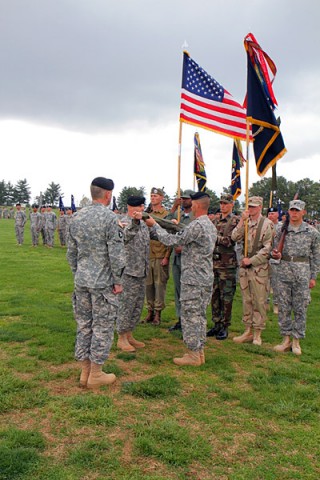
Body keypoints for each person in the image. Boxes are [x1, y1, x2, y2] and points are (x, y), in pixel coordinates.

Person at [144, 191, 217, 366]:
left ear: (196, 205)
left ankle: (193, 354)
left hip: (193, 279)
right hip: (204, 277)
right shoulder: (209, 225)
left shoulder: (197, 225)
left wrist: (154, 225)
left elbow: (171, 240)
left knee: (191, 315)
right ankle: (199, 351)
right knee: (199, 315)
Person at [67, 177, 125, 389]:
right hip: (103, 284)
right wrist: (118, 281)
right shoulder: (110, 218)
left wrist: (78, 273)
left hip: (82, 281)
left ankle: (85, 372)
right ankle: (96, 374)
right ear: (108, 194)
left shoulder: (76, 217)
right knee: (102, 326)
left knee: (84, 326)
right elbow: (117, 254)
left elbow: (71, 253)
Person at [272, 199, 320, 355]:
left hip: (302, 272)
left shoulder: (312, 232)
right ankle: (285, 339)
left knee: (300, 307)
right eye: (292, 210)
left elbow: (316, 256)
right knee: (284, 306)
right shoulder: (280, 229)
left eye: (297, 210)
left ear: (303, 212)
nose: (294, 213)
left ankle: (296, 341)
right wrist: (275, 254)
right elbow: (274, 248)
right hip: (283, 271)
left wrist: (313, 276)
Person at [231, 196, 274, 346]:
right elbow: (234, 237)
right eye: (249, 206)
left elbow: (268, 248)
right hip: (244, 267)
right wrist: (242, 221)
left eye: (254, 207)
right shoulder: (246, 223)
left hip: (258, 267)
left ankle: (257, 333)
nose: (251, 209)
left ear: (260, 207)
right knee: (246, 300)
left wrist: (252, 260)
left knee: (259, 300)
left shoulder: (267, 224)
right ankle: (247, 330)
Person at [116, 196, 150, 352]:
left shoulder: (143, 223)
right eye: (140, 207)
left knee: (137, 305)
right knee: (126, 305)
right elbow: (126, 237)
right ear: (132, 207)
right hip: (128, 271)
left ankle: (129, 334)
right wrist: (135, 222)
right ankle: (121, 337)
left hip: (141, 270)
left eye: (142, 207)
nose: (142, 209)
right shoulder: (122, 222)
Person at [207, 193, 239, 340]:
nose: (223, 206)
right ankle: (216, 323)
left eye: (226, 203)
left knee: (226, 296)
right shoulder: (215, 220)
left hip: (228, 265)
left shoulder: (235, 221)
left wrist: (215, 238)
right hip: (214, 263)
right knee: (214, 295)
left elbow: (229, 241)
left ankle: (225, 325)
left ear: (231, 204)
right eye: (221, 203)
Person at [165, 189, 194, 331]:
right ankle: (180, 319)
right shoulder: (179, 215)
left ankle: (189, 321)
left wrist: (184, 248)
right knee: (178, 290)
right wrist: (174, 207)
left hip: (190, 260)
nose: (183, 200)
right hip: (177, 259)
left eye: (186, 198)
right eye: (182, 198)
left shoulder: (195, 218)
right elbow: (166, 223)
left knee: (188, 292)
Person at [144, 187, 171, 326]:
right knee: (148, 285)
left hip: (160, 254)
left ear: (161, 198)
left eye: (155, 196)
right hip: (148, 255)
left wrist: (167, 256)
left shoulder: (166, 215)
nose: (153, 198)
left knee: (159, 286)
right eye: (151, 195)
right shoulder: (147, 214)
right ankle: (150, 311)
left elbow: (170, 237)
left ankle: (158, 313)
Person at [267, 206, 281, 314]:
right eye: (269, 214)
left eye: (273, 213)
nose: (271, 216)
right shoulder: (264, 226)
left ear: (278, 214)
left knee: (276, 283)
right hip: (265, 258)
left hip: (276, 260)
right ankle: (265, 303)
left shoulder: (281, 227)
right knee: (264, 283)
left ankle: (276, 303)